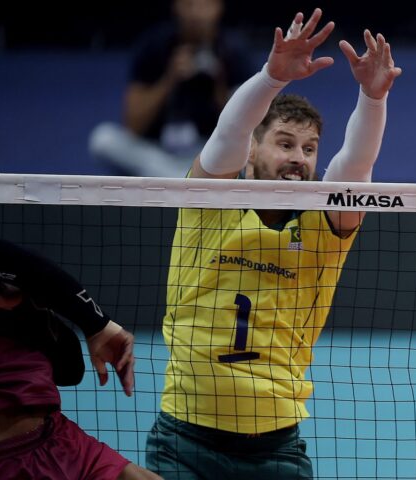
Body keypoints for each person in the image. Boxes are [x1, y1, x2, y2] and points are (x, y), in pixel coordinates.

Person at [144, 7, 401, 478]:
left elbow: (354, 168)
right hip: (185, 439)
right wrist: (270, 78)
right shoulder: (210, 207)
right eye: (284, 144)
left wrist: (372, 98)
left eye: (308, 149)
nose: (298, 159)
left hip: (275, 449)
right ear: (252, 154)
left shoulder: (325, 231)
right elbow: (229, 132)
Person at [0, 238, 160, 479]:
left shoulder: (23, 313)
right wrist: (97, 324)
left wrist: (97, 325)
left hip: (54, 441)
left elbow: (71, 371)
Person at [89, 0, 255, 178]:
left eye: (204, 5)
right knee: (102, 139)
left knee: (249, 153)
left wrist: (218, 81)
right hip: (157, 152)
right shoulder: (154, 44)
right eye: (189, 4)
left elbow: (246, 128)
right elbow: (133, 125)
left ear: (218, 7)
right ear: (176, 6)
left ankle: (174, 181)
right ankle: (185, 180)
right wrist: (170, 78)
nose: (196, 14)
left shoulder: (234, 51)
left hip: (208, 153)